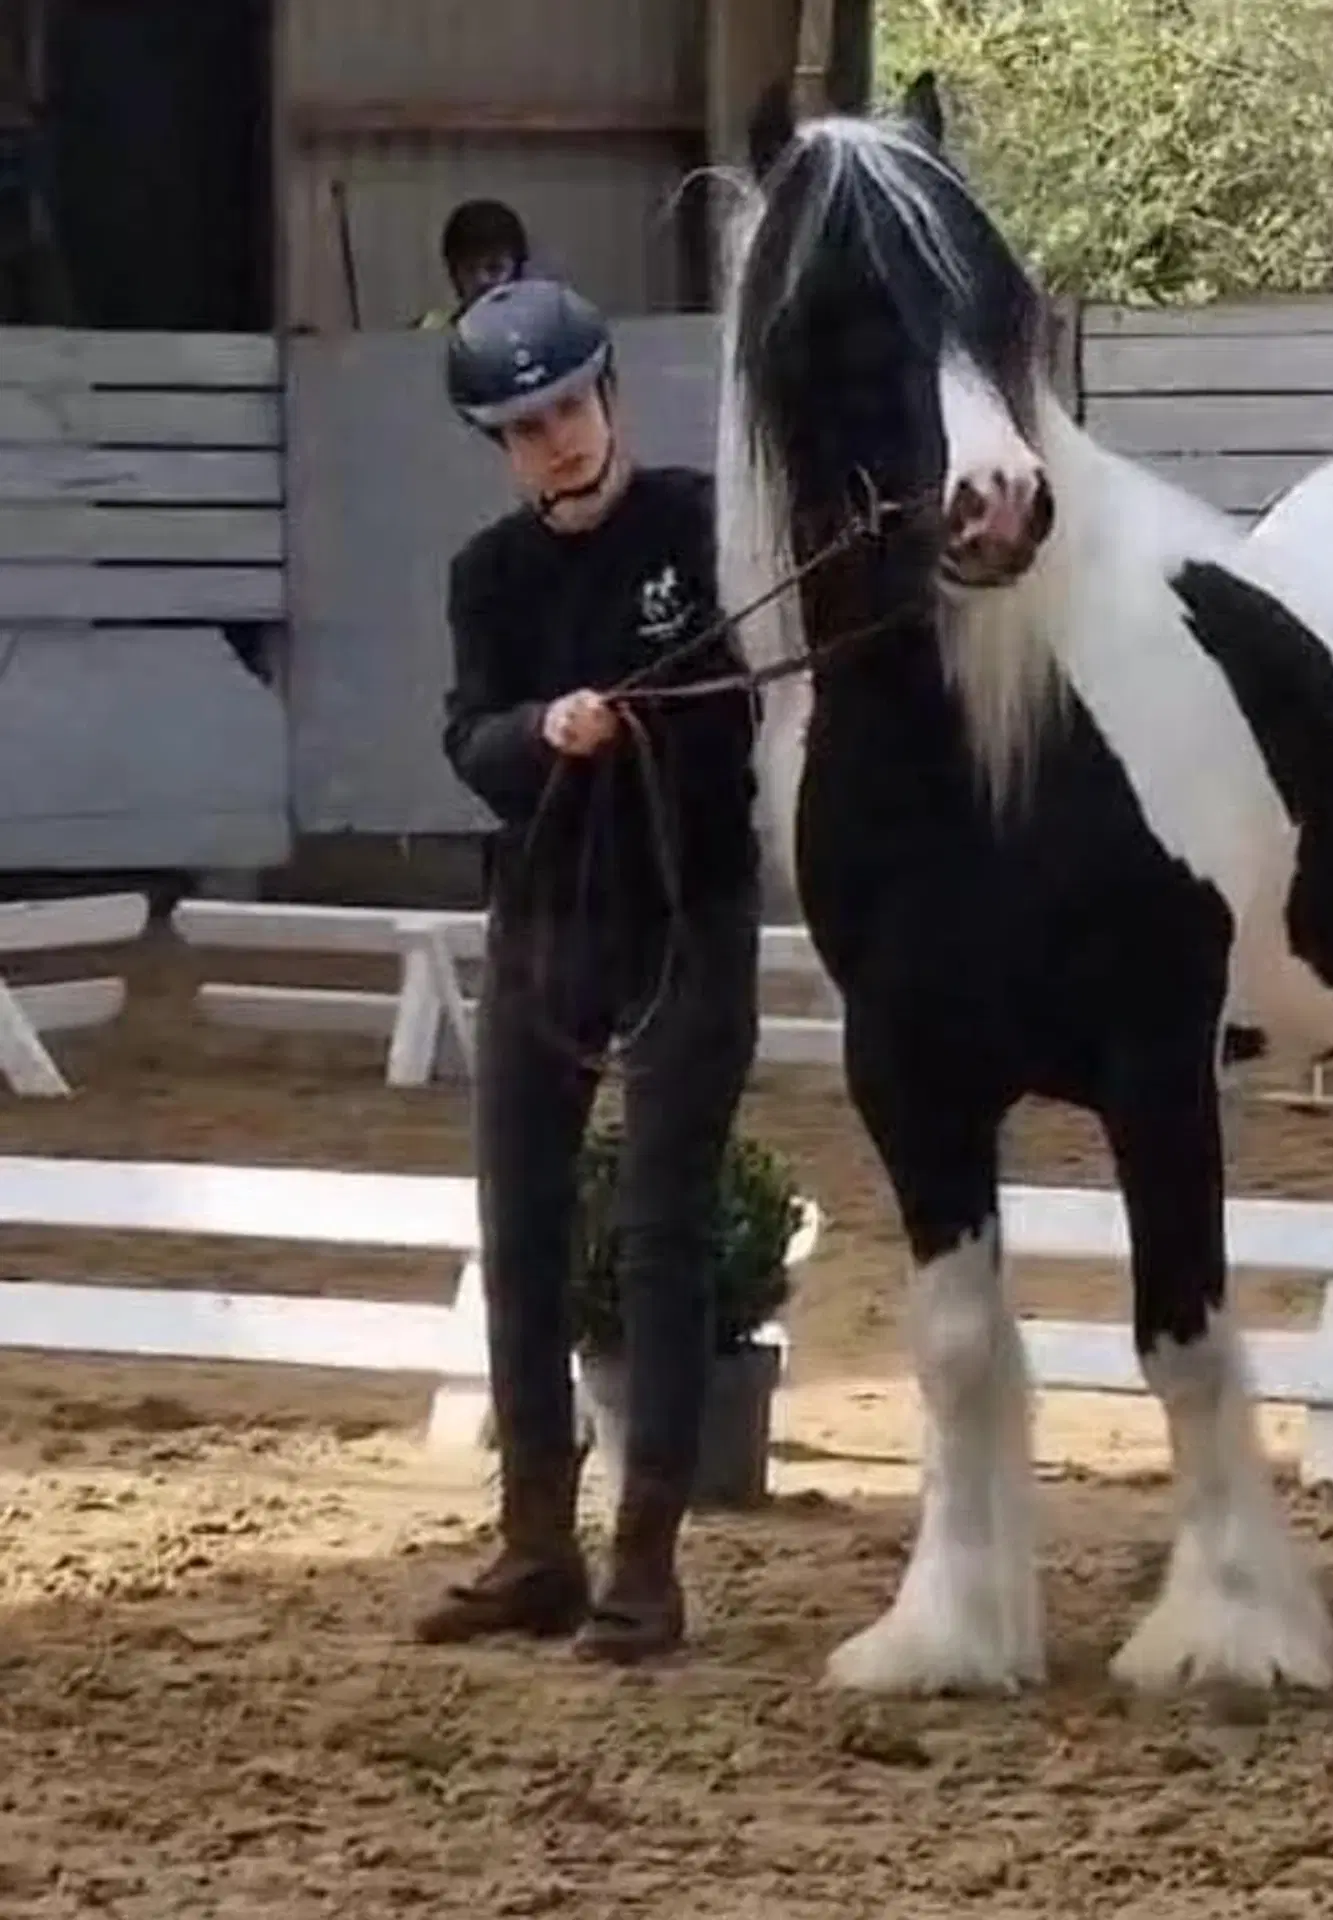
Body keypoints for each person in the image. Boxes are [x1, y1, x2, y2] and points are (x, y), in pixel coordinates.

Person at [416, 276, 761, 1665]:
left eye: (569, 408)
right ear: (501, 446)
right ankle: (534, 1542)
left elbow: (757, 710)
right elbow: (468, 742)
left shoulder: (706, 527)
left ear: (607, 396)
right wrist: (539, 732)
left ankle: (645, 1563)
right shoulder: (486, 581)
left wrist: (661, 718)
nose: (556, 439)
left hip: (689, 915)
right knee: (523, 1236)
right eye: (527, 426)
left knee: (663, 1234)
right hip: (546, 925)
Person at [414, 198, 530, 328]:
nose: (482, 280)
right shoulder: (428, 329)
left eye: (494, 268)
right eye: (469, 269)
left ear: (516, 270)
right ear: (454, 274)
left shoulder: (540, 331)